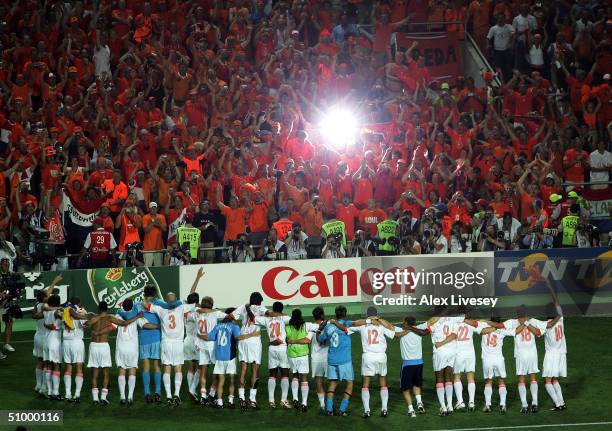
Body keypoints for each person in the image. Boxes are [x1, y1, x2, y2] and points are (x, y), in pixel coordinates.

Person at [198, 308, 260, 409]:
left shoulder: (217, 326)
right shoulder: (234, 327)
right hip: (230, 357)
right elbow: (239, 337)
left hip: (219, 358)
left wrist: (198, 335)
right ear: (232, 317)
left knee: (221, 380)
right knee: (232, 380)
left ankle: (220, 402)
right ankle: (231, 401)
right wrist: (252, 334)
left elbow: (208, 337)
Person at [86, 301, 143, 405]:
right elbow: (124, 323)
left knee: (94, 373)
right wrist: (138, 316)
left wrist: (98, 326)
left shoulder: (95, 317)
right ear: (107, 308)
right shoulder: (111, 317)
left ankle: (95, 399)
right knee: (106, 373)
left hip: (94, 346)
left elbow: (87, 324)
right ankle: (104, 397)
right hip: (106, 346)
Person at [349, 307, 396, 418]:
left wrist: (368, 321)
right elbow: (392, 329)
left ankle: (367, 410)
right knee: (383, 383)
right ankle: (384, 409)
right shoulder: (381, 325)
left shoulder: (362, 324)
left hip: (368, 357)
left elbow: (351, 325)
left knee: (365, 385)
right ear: (376, 314)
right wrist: (380, 320)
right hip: (381, 356)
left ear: (367, 314)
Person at [505, 306, 547, 413]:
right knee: (533, 378)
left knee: (521, 380)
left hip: (520, 354)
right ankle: (535, 403)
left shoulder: (512, 322)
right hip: (532, 354)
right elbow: (539, 333)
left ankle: (524, 405)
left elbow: (501, 326)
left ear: (517, 313)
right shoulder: (533, 321)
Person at [230, 292, 268, 410]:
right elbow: (269, 314)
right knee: (255, 370)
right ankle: (252, 399)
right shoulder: (261, 308)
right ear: (259, 301)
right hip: (254, 341)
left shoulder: (243, 307)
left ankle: (242, 399)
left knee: (243, 369)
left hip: (243, 340)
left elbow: (231, 316)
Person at [318, 306, 355, 417]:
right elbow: (357, 323)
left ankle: (329, 410)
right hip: (345, 360)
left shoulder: (328, 327)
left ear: (336, 314)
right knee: (349, 383)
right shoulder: (346, 324)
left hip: (332, 359)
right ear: (345, 314)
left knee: (333, 383)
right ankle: (342, 410)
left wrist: (320, 329)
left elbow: (321, 340)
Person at [255, 302, 291, 409]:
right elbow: (295, 320)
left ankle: (271, 400)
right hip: (282, 348)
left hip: (272, 349)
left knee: (272, 374)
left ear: (272, 309)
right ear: (281, 309)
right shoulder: (284, 318)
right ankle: (283, 400)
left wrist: (266, 314)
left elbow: (254, 318)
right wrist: (281, 314)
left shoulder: (266, 319)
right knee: (285, 374)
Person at [193, 296, 227, 405]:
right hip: (212, 345)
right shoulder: (215, 313)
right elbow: (229, 317)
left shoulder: (196, 313)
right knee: (217, 370)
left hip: (201, 344)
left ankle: (203, 395)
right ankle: (212, 394)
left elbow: (193, 310)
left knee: (203, 370)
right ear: (212, 305)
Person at [394, 316, 430, 417]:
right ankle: (419, 403)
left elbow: (389, 326)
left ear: (406, 323)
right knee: (416, 385)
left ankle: (411, 410)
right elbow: (431, 321)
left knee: (405, 389)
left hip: (407, 365)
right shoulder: (419, 329)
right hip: (419, 363)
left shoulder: (400, 330)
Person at [479, 315, 513, 413]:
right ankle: (503, 405)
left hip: (487, 359)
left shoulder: (484, 328)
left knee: (488, 382)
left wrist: (486, 321)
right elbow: (514, 332)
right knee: (501, 382)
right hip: (499, 359)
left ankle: (488, 405)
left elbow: (478, 322)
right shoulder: (502, 330)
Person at [142, 202, 167, 267]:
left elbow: (165, 229)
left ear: (157, 209)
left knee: (158, 268)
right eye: (152, 208)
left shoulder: (161, 217)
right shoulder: (145, 217)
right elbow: (145, 230)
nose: (153, 209)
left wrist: (159, 225)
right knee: (147, 267)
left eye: (155, 208)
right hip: (148, 248)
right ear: (149, 209)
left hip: (158, 247)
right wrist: (153, 223)